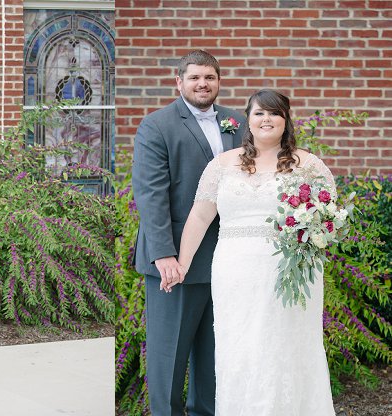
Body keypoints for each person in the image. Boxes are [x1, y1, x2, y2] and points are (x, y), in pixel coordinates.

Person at [172, 89, 335, 414]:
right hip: (236, 271)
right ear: (248, 118)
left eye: (274, 113)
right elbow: (201, 216)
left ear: (285, 120)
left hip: (290, 271)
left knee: (286, 345)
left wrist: (309, 238)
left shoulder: (309, 165)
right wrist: (182, 264)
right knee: (241, 347)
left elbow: (328, 217)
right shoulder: (222, 164)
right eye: (260, 113)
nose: (266, 119)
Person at [131, 50, 246, 415]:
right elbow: (150, 194)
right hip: (176, 261)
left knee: (214, 358)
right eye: (194, 77)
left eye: (209, 77)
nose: (202, 84)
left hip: (226, 259)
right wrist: (164, 254)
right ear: (178, 82)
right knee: (170, 356)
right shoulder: (157, 125)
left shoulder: (239, 122)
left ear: (218, 81)